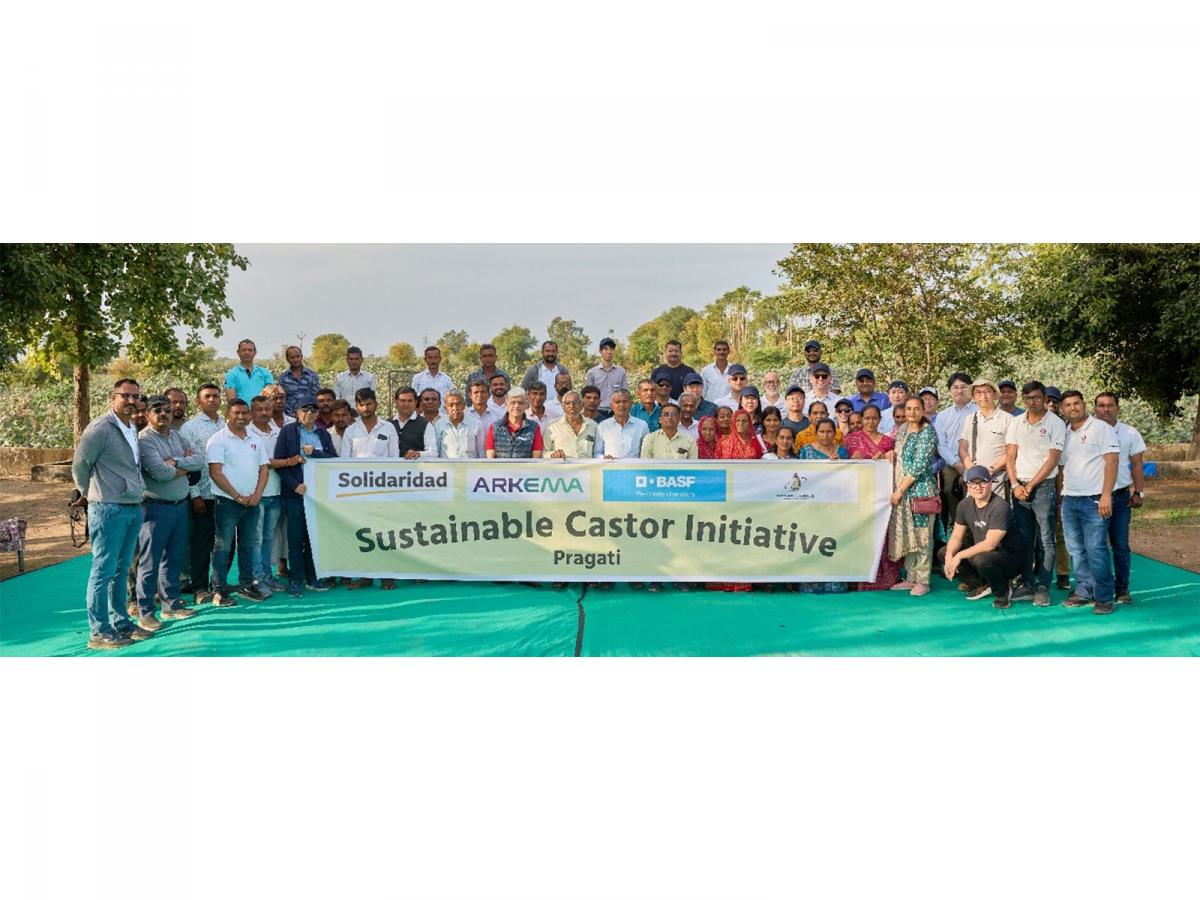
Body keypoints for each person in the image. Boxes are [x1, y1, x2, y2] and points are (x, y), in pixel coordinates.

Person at [72, 379, 154, 649]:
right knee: (103, 570)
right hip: (107, 508)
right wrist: (89, 493)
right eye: (125, 396)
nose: (131, 401)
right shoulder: (100, 428)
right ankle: (99, 631)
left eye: (135, 396)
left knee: (121, 570)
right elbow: (80, 465)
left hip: (132, 507)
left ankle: (121, 622)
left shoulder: (131, 427)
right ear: (113, 397)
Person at [137, 395, 204, 625]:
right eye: (157, 410)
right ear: (148, 414)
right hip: (155, 509)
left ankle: (171, 605)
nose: (163, 414)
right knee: (149, 563)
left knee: (174, 560)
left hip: (180, 506)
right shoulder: (144, 440)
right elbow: (161, 473)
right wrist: (185, 464)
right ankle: (146, 612)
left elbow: (200, 460)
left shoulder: (177, 435)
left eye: (167, 409)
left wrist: (174, 462)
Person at [1057, 390, 1121, 614]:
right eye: (1067, 405)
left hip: (1094, 499)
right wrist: (1061, 498)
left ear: (1084, 405)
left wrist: (1106, 495)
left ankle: (1104, 597)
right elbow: (1062, 467)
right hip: (1070, 499)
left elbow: (1112, 461)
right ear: (1062, 409)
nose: (1072, 408)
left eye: (1076, 403)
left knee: (1096, 549)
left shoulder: (1100, 428)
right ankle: (1084, 590)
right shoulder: (1064, 433)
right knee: (1076, 549)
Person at [1004, 381, 1066, 606]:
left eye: (1037, 397)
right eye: (1028, 398)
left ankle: (1042, 586)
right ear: (1024, 399)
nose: (1032, 402)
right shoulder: (1016, 422)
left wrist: (1030, 486)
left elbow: (1053, 459)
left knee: (1045, 539)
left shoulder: (1055, 423)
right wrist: (1014, 484)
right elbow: (1010, 456)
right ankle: (1027, 583)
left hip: (1043, 487)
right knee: (1024, 538)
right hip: (1019, 487)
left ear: (1044, 398)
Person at [206, 398, 270, 606]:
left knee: (247, 546)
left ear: (249, 415)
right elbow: (216, 473)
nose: (241, 417)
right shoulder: (218, 440)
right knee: (223, 547)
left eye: (244, 413)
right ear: (228, 415)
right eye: (236, 413)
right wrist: (236, 496)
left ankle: (246, 585)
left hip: (252, 503)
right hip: (227, 502)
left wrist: (257, 495)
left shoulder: (255, 439)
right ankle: (219, 590)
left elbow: (264, 469)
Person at [274, 401, 338, 597]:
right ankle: (295, 579)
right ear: (297, 412)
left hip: (317, 495)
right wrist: (294, 485)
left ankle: (313, 577)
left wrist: (315, 453)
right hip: (295, 494)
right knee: (295, 538)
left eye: (313, 410)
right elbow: (279, 463)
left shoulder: (323, 434)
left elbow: (333, 460)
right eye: (305, 409)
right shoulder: (287, 432)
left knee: (313, 537)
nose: (310, 413)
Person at [944, 465, 1027, 608]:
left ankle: (1002, 591)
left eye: (982, 482)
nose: (978, 487)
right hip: (985, 554)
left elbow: (990, 544)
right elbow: (957, 536)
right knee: (944, 552)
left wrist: (958, 556)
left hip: (1009, 557)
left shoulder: (1000, 506)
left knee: (981, 559)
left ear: (990, 484)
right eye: (973, 483)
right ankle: (983, 584)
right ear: (968, 486)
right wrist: (948, 557)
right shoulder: (964, 505)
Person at [1094, 392, 1146, 604]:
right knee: (1095, 546)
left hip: (1120, 497)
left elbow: (1137, 465)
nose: (1105, 409)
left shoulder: (1130, 433)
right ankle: (1097, 588)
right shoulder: (1086, 431)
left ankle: (1122, 589)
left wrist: (1139, 492)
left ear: (1117, 408)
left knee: (1120, 545)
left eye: (1110, 405)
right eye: (1101, 405)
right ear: (1095, 409)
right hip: (1093, 498)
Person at [843, 405, 901, 591]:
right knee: (860, 533)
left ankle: (882, 577)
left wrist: (888, 456)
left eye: (874, 418)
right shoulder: (851, 439)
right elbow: (843, 466)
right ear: (862, 419)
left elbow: (896, 467)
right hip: (858, 494)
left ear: (879, 420)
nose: (870, 422)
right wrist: (853, 460)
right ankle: (857, 576)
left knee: (881, 533)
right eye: (867, 418)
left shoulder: (888, 442)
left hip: (881, 495)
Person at [888, 398, 940, 597]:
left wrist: (900, 490)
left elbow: (919, 466)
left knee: (922, 535)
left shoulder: (927, 432)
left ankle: (923, 580)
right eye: (908, 409)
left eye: (916, 409)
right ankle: (910, 577)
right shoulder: (902, 430)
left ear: (923, 410)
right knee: (908, 534)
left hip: (921, 491)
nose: (911, 412)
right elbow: (900, 456)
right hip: (902, 491)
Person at [180, 382, 226, 604]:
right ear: (198, 401)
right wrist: (195, 494)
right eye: (207, 396)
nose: (212, 400)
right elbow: (188, 463)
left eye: (215, 396)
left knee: (225, 544)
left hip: (226, 494)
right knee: (201, 544)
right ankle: (199, 587)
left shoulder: (226, 425)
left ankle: (219, 584)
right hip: (203, 495)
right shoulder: (190, 428)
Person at [247, 395, 286, 596]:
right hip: (256, 493)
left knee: (269, 537)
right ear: (251, 412)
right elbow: (262, 462)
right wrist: (288, 461)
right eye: (259, 409)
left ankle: (267, 575)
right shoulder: (247, 433)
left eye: (267, 409)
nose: (264, 413)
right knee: (257, 539)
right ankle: (257, 578)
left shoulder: (278, 432)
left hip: (275, 491)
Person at [934, 372, 977, 529]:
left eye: (963, 387)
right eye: (955, 387)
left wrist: (968, 464)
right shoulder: (943, 416)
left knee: (973, 494)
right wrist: (956, 464)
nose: (959, 391)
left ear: (970, 389)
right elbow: (941, 445)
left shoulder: (979, 411)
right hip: (951, 463)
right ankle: (958, 526)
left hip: (975, 462)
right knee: (948, 490)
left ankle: (974, 529)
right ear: (950, 391)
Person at [958, 379, 1013, 498]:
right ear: (973, 397)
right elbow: (962, 448)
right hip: (974, 479)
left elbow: (1011, 451)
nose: (983, 396)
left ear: (994, 395)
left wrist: (992, 469)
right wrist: (972, 470)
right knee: (972, 509)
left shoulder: (1008, 419)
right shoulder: (969, 419)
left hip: (997, 478)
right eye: (978, 392)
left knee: (997, 508)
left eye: (987, 391)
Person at [486, 387, 544, 458]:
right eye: (513, 402)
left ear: (526, 405)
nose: (516, 406)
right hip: (500, 466)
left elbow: (536, 458)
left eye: (520, 403)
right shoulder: (495, 427)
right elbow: (490, 459)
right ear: (506, 404)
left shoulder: (534, 427)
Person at [341, 388, 399, 458]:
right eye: (361, 405)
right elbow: (345, 460)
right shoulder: (350, 431)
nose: (365, 408)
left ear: (376, 404)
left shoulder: (389, 428)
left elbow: (394, 457)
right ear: (357, 407)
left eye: (368, 404)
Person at [594, 389, 650, 459]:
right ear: (611, 405)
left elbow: (647, 452)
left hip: (635, 466)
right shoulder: (603, 426)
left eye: (625, 402)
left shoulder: (642, 425)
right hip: (610, 465)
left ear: (631, 404)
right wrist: (603, 457)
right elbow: (597, 453)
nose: (621, 405)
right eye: (617, 402)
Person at [389, 387, 438, 459]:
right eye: (402, 401)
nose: (406, 404)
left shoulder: (425, 424)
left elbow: (433, 453)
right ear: (396, 402)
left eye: (410, 401)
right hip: (389, 466)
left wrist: (418, 454)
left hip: (416, 466)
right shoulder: (388, 424)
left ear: (416, 402)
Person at [546, 391, 598, 459]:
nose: (571, 406)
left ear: (582, 405)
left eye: (575, 403)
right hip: (562, 465)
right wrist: (552, 454)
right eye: (568, 403)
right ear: (563, 406)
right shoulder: (552, 426)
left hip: (587, 465)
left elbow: (597, 452)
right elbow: (543, 452)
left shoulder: (593, 425)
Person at [584, 337, 627, 415]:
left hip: (616, 412)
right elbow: (589, 396)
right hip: (597, 412)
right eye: (606, 349)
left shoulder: (621, 372)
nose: (609, 352)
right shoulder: (592, 373)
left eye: (611, 349)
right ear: (600, 351)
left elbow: (624, 394)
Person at [224, 338, 275, 403]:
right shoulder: (231, 374)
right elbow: (232, 402)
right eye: (243, 350)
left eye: (250, 350)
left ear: (255, 353)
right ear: (238, 352)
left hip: (262, 409)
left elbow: (269, 396)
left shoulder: (265, 373)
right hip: (241, 409)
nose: (247, 352)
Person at [435, 390, 481, 459]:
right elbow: (437, 451)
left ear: (464, 406)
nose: (455, 408)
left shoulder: (476, 424)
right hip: (446, 465)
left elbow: (481, 453)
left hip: (470, 465)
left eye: (458, 404)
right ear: (445, 408)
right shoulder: (439, 424)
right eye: (451, 405)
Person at [278, 345, 321, 416]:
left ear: (302, 357)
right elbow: (281, 398)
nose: (295, 359)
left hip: (308, 416)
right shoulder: (283, 378)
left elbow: (317, 396)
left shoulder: (312, 376)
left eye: (297, 356)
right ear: (287, 359)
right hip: (289, 417)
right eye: (292, 357)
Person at [412, 345, 455, 412]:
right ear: (425, 360)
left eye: (435, 357)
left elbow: (452, 399)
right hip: (423, 417)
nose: (433, 361)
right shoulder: (418, 379)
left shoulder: (447, 380)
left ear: (440, 359)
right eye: (430, 358)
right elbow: (413, 400)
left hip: (442, 416)